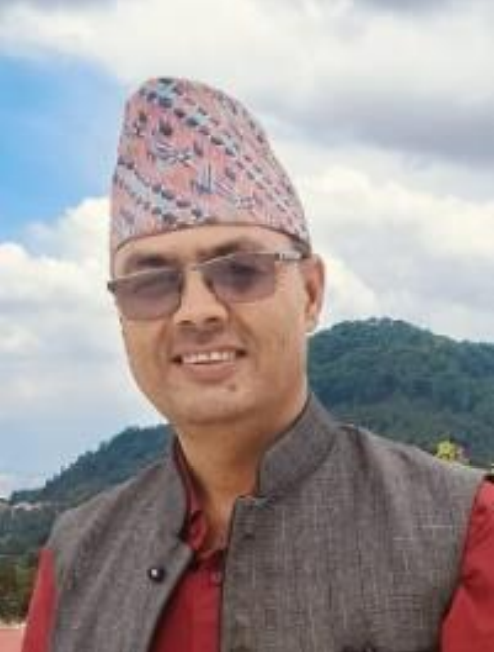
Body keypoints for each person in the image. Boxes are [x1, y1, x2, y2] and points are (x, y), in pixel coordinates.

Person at [22, 77, 494, 652]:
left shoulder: (461, 531)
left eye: (240, 271)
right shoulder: (76, 556)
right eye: (151, 282)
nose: (196, 311)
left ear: (311, 293)